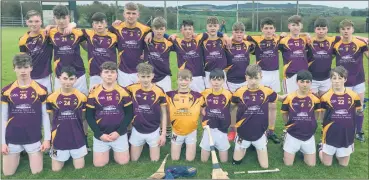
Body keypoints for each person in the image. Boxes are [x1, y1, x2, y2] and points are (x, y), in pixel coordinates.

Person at [49, 5, 90, 150]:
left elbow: (88, 46)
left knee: (82, 109)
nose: (61, 21)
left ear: (69, 17)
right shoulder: (50, 32)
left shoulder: (77, 32)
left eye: (64, 17)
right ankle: (56, 138)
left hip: (78, 76)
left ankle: (84, 140)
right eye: (58, 18)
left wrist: (74, 26)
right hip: (61, 77)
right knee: (57, 110)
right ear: (54, 19)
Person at [1, 54, 50, 176]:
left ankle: (27, 153)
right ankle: (17, 154)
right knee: (7, 173)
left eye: (26, 67)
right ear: (14, 68)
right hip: (13, 138)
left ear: (31, 68)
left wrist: (47, 139)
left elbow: (45, 116)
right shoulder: (6, 90)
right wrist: (2, 142)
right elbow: (3, 118)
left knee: (37, 172)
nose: (23, 71)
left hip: (33, 137)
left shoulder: (41, 89)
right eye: (19, 67)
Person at [231, 64, 284, 168]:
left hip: (259, 133)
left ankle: (257, 144)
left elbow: (281, 98)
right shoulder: (239, 92)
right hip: (243, 133)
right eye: (250, 78)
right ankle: (244, 145)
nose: (253, 81)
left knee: (265, 166)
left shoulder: (267, 91)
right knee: (236, 163)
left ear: (261, 77)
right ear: (246, 77)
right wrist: (233, 128)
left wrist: (302, 94)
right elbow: (232, 109)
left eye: (256, 78)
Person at [86, 62, 133, 167]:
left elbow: (129, 114)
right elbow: (89, 116)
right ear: (101, 74)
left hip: (119, 134)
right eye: (106, 72)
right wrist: (99, 134)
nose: (109, 75)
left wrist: (119, 132)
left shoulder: (123, 91)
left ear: (116, 75)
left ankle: (118, 146)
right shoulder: (94, 92)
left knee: (123, 162)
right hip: (101, 134)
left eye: (112, 72)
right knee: (99, 164)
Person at [245, 17, 283, 144]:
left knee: (272, 105)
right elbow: (240, 35)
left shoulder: (278, 39)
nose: (268, 30)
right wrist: (224, 36)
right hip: (260, 75)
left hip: (274, 74)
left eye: (271, 28)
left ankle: (271, 131)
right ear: (262, 29)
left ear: (274, 29)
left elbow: (294, 34)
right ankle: (258, 129)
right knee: (258, 104)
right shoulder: (256, 38)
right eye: (266, 28)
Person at [333, 19, 369, 142]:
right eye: (343, 29)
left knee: (359, 108)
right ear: (340, 31)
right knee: (343, 109)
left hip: (359, 80)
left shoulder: (360, 43)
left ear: (352, 29)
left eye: (348, 29)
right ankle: (343, 129)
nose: (346, 31)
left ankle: (359, 131)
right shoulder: (336, 44)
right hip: (342, 83)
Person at [318, 66, 362, 167]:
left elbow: (358, 113)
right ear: (330, 80)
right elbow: (323, 116)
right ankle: (321, 147)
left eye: (340, 78)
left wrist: (354, 129)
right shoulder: (325, 97)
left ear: (345, 79)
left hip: (347, 134)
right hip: (330, 133)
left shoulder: (354, 96)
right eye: (334, 78)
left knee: (343, 165)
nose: (337, 81)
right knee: (326, 164)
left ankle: (339, 152)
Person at [47, 66, 87, 171]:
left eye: (71, 79)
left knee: (79, 168)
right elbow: (51, 120)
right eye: (65, 78)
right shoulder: (51, 98)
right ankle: (58, 152)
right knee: (55, 170)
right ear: (59, 78)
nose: (67, 82)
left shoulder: (82, 97)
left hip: (77, 139)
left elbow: (83, 118)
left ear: (76, 80)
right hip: (58, 141)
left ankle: (76, 152)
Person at [127, 63, 167, 161]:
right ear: (138, 76)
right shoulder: (131, 88)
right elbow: (117, 91)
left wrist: (163, 134)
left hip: (154, 130)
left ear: (153, 76)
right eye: (143, 76)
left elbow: (164, 113)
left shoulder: (159, 91)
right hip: (137, 129)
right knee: (133, 160)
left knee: (155, 160)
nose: (145, 79)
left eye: (148, 76)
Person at [281, 70, 321, 166]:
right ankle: (286, 137)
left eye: (307, 82)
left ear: (311, 83)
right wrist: (288, 125)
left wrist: (311, 125)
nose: (304, 84)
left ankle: (319, 147)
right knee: (288, 164)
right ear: (297, 82)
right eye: (302, 81)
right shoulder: (289, 98)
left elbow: (316, 115)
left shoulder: (315, 99)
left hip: (308, 135)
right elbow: (284, 114)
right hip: (293, 134)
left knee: (311, 165)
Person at [109, 2, 151, 87]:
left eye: (133, 13)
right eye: (128, 13)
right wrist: (111, 25)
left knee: (138, 98)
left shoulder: (145, 29)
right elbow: (103, 33)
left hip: (139, 72)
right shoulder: (117, 27)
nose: (130, 16)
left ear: (138, 15)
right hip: (123, 71)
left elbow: (159, 33)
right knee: (125, 98)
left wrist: (151, 33)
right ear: (124, 14)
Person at [166, 69, 204, 161]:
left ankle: (187, 144)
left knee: (190, 159)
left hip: (191, 131)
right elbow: (166, 112)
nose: (183, 82)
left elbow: (203, 113)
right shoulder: (169, 95)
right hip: (176, 131)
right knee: (174, 159)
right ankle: (179, 143)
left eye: (186, 79)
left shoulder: (198, 96)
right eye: (181, 79)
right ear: (177, 80)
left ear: (191, 80)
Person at [225, 22, 254, 141]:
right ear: (233, 32)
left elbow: (260, 39)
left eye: (241, 32)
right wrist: (228, 37)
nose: (239, 34)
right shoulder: (227, 44)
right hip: (231, 80)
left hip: (245, 81)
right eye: (236, 32)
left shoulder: (248, 44)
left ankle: (243, 127)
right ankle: (232, 129)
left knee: (245, 106)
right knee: (232, 107)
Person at [200, 68, 232, 163]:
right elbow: (200, 107)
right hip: (208, 129)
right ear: (209, 80)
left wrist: (231, 123)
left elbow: (234, 108)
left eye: (219, 79)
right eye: (214, 79)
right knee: (203, 161)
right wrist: (203, 111)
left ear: (223, 80)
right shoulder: (205, 93)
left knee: (224, 161)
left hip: (222, 129)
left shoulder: (228, 94)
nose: (216, 82)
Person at [82, 12, 118, 90]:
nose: (99, 25)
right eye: (96, 23)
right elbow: (71, 30)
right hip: (95, 74)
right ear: (93, 25)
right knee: (94, 98)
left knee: (111, 99)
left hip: (110, 74)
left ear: (106, 24)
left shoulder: (114, 36)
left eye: (102, 22)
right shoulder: (88, 34)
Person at [279, 15, 309, 94]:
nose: (295, 27)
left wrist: (306, 34)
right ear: (289, 26)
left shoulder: (305, 39)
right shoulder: (283, 40)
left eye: (298, 25)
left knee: (303, 100)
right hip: (289, 75)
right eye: (293, 25)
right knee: (289, 100)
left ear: (301, 26)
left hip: (304, 75)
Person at [143, 17, 174, 93]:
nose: (159, 31)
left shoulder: (169, 42)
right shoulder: (147, 40)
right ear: (152, 29)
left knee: (166, 101)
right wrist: (150, 33)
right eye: (156, 29)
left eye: (161, 29)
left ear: (165, 29)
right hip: (149, 77)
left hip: (164, 77)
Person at [203, 17, 230, 90]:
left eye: (215, 26)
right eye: (210, 26)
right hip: (208, 73)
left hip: (221, 72)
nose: (212, 28)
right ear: (206, 27)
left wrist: (224, 35)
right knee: (209, 94)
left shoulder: (223, 39)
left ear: (218, 27)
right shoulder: (202, 40)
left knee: (223, 95)